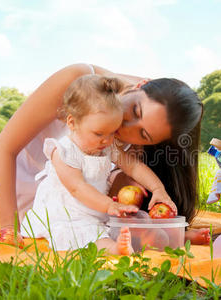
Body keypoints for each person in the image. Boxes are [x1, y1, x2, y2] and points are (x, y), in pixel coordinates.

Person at [0, 63, 209, 246]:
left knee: (123, 202)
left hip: (86, 200)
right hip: (34, 192)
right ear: (140, 84)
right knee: (84, 222)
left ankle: (169, 237)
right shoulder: (78, 80)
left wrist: (151, 189)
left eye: (143, 134)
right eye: (134, 110)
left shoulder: (151, 123)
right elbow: (4, 148)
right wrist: (8, 227)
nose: (125, 127)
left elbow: (116, 175)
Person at [20, 75, 176, 254]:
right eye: (99, 133)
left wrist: (157, 189)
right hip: (68, 213)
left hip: (97, 210)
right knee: (92, 235)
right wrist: (109, 205)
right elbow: (77, 187)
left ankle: (172, 238)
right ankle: (114, 249)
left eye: (112, 132)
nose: (107, 140)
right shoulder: (63, 151)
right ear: (72, 122)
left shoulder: (106, 147)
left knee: (136, 222)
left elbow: (134, 167)